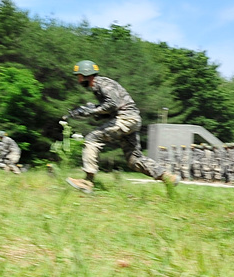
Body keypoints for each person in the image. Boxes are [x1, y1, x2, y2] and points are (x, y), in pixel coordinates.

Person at [65, 60, 175, 193]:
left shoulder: (102, 84)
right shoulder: (99, 87)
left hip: (126, 118)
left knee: (92, 138)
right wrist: (89, 111)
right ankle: (167, 177)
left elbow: (112, 104)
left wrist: (92, 111)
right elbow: (110, 109)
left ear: (86, 74)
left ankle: (88, 182)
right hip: (130, 120)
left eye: (79, 76)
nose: (78, 80)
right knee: (133, 159)